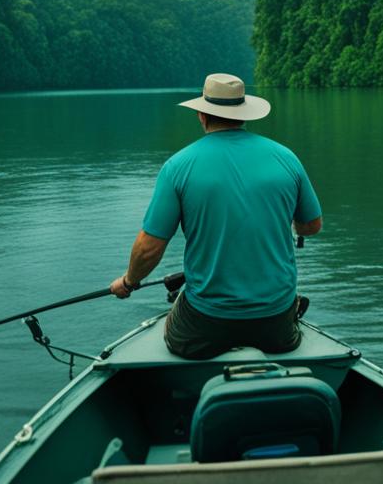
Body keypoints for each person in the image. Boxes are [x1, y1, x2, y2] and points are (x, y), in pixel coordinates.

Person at [109, 73, 323, 359]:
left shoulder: (178, 166)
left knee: (175, 319)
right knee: (283, 313)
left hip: (207, 322)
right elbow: (311, 226)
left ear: (201, 114)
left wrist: (128, 282)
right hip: (275, 323)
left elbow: (149, 248)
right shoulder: (286, 157)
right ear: (244, 113)